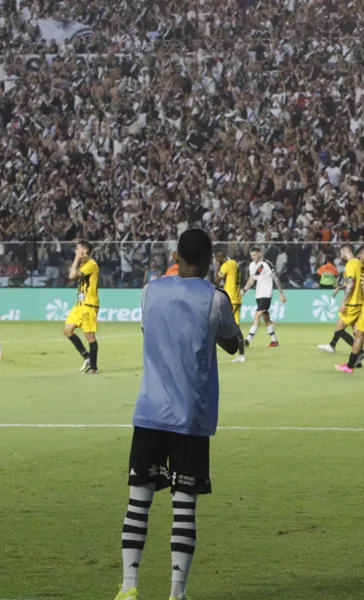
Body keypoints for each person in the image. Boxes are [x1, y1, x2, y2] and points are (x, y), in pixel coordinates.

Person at [114, 228, 241, 600]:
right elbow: (233, 344)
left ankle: (128, 586)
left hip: (150, 411)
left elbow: (147, 329)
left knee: (138, 502)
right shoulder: (216, 300)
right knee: (184, 507)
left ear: (175, 256)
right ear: (209, 260)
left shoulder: (149, 291)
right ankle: (176, 592)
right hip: (191, 416)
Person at [317, 244, 364, 358]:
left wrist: (344, 301)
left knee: (340, 329)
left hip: (352, 302)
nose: (341, 256)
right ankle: (354, 357)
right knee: (357, 331)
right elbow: (355, 282)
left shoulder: (350, 264)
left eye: (341, 253)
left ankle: (359, 353)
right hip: (360, 301)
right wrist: (339, 288)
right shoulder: (359, 263)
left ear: (345, 251)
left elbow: (351, 283)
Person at [64, 240, 100, 374]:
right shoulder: (84, 264)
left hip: (89, 305)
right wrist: (78, 259)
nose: (75, 252)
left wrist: (76, 258)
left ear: (84, 251)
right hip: (79, 304)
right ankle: (87, 357)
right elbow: (71, 275)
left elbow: (72, 276)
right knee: (68, 330)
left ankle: (94, 367)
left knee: (89, 336)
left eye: (77, 250)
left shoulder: (91, 264)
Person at [241, 247, 287, 348]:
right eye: (252, 255)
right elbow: (251, 280)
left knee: (257, 315)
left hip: (266, 294)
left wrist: (281, 293)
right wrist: (243, 291)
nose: (253, 257)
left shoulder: (267, 264)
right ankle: (274, 341)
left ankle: (248, 339)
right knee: (266, 318)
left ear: (260, 254)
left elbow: (276, 278)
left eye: (255, 255)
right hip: (258, 294)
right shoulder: (252, 265)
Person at [213, 249, 245, 363]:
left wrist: (218, 267)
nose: (216, 261)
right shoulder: (234, 263)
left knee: (219, 322)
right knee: (235, 325)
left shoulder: (226, 265)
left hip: (230, 298)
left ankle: (239, 353)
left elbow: (216, 281)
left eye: (217, 259)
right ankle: (241, 354)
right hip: (236, 297)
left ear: (220, 257)